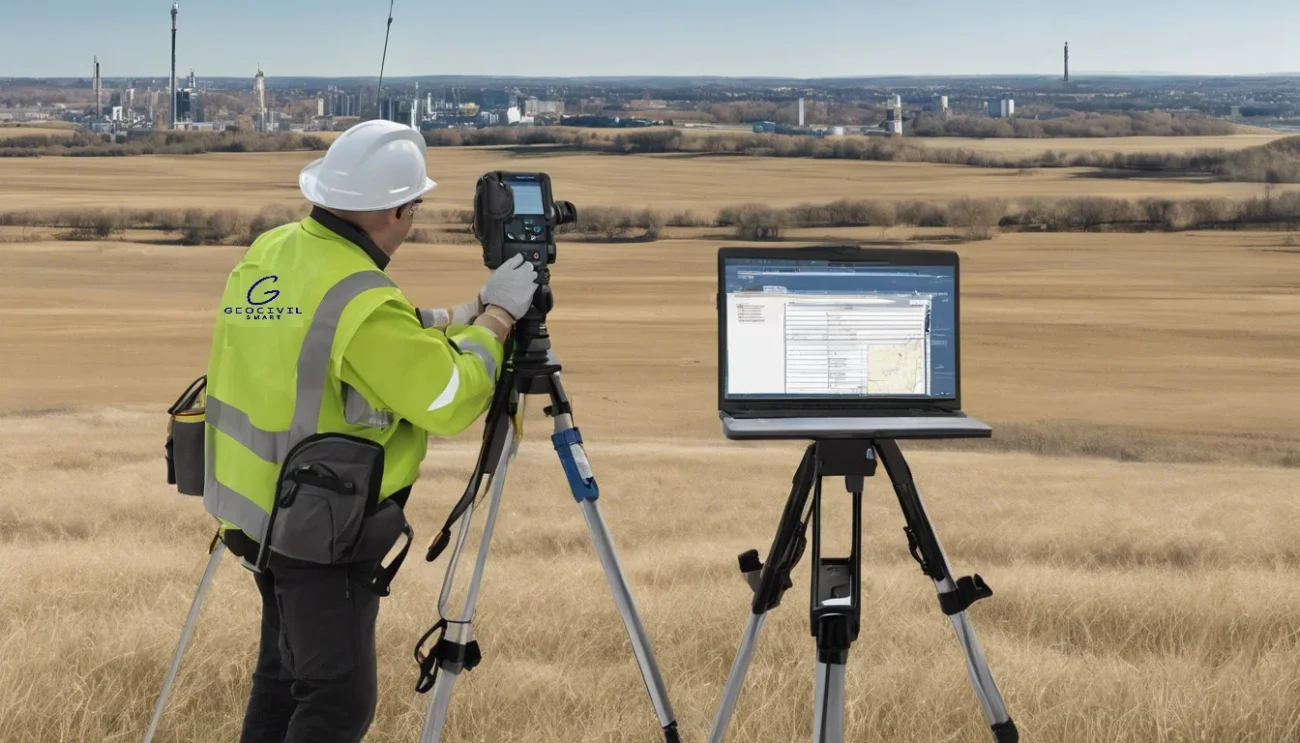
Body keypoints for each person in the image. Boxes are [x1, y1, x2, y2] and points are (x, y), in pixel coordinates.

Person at [200, 119, 539, 743]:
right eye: (413, 208)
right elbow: (448, 398)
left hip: (253, 514)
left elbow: (365, 333)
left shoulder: (274, 250)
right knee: (337, 702)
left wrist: (467, 310)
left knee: (282, 678)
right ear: (395, 212)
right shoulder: (361, 297)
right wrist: (496, 319)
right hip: (319, 531)